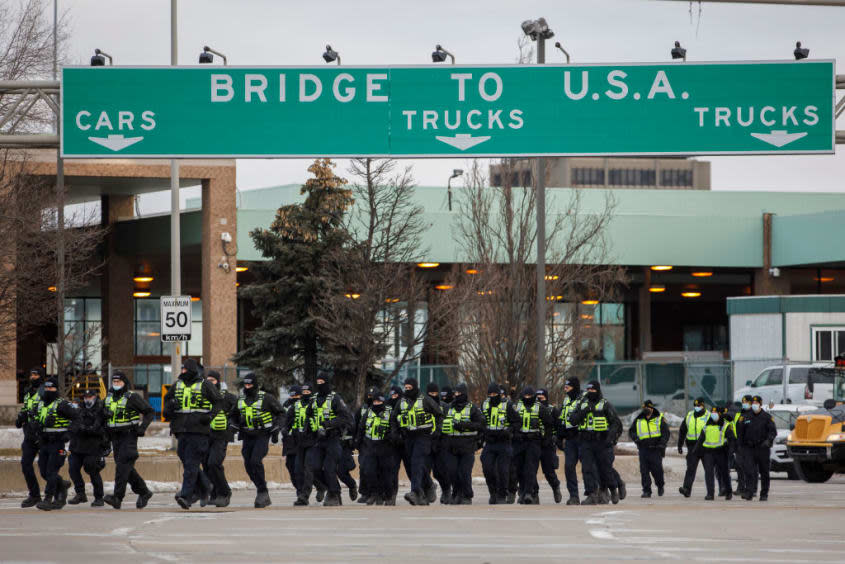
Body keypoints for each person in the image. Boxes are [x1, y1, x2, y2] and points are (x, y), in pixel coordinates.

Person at [163, 358, 221, 510]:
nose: (183, 372)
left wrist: (209, 417)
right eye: (182, 369)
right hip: (182, 431)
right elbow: (167, 400)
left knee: (191, 464)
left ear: (192, 370)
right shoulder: (178, 385)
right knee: (186, 461)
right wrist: (170, 407)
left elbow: (218, 402)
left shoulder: (205, 384)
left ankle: (186, 496)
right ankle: (205, 486)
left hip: (199, 431)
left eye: (185, 369)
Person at [103, 371, 155, 510]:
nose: (116, 385)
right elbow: (102, 417)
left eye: (119, 382)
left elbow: (150, 411)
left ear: (125, 383)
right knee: (126, 468)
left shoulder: (132, 397)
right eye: (114, 382)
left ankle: (117, 498)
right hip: (115, 438)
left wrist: (142, 428)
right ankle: (144, 492)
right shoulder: (108, 398)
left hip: (129, 436)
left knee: (122, 466)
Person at [301, 373, 353, 506]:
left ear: (327, 383)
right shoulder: (313, 399)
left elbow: (345, 417)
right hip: (318, 439)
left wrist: (329, 423)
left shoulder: (335, 399)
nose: (319, 384)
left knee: (329, 467)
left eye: (322, 382)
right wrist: (308, 429)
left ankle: (334, 494)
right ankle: (329, 488)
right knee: (315, 467)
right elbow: (308, 416)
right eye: (317, 382)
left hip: (334, 438)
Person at [568, 380, 621, 505]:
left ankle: (613, 489)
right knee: (587, 468)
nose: (590, 392)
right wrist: (583, 412)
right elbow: (572, 420)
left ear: (598, 390)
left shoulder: (605, 404)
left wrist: (610, 438)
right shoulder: (582, 404)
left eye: (593, 390)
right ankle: (591, 494)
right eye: (588, 390)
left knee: (605, 469)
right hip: (586, 441)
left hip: (602, 441)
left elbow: (615, 423)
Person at [237, 372, 285, 508]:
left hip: (262, 435)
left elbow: (281, 413)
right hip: (247, 435)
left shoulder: (267, 398)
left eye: (250, 384)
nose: (247, 387)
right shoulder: (240, 400)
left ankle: (263, 492)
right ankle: (260, 487)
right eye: (245, 384)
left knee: (255, 460)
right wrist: (233, 424)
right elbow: (233, 415)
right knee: (248, 464)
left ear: (255, 385)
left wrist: (277, 428)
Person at [393, 377, 442, 506]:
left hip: (424, 436)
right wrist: (395, 433)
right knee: (413, 465)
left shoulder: (425, 400)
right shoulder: (401, 402)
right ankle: (429, 486)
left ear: (415, 387)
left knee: (416, 461)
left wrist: (437, 431)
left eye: (410, 388)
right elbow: (393, 418)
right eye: (406, 388)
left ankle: (415, 492)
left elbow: (439, 414)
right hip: (409, 437)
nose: (407, 390)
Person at [34, 377, 76, 511]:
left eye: (51, 388)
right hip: (44, 442)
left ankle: (48, 498)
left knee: (52, 471)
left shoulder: (62, 404)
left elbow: (77, 418)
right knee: (44, 472)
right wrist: (38, 426)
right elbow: (35, 420)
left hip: (58, 443)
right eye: (46, 388)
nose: (48, 390)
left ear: (56, 389)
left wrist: (68, 434)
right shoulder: (40, 404)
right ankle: (62, 485)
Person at [441, 383, 484, 504]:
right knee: (452, 472)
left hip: (467, 446)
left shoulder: (472, 408)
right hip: (451, 446)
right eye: (456, 393)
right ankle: (456, 494)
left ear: (464, 394)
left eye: (459, 393)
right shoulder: (448, 408)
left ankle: (466, 496)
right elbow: (442, 422)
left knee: (464, 473)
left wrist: (462, 425)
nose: (457, 395)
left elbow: (481, 425)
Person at [511, 386, 553, 505]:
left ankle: (529, 493)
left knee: (530, 468)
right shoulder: (516, 407)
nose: (527, 398)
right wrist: (515, 433)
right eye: (525, 396)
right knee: (518, 468)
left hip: (533, 441)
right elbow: (512, 422)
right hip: (519, 441)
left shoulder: (539, 407)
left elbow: (549, 423)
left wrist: (546, 439)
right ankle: (523, 491)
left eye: (530, 396)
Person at [356, 392, 398, 505]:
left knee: (386, 473)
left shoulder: (390, 414)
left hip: (385, 447)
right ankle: (374, 493)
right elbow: (361, 428)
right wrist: (357, 443)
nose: (376, 403)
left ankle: (388, 496)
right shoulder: (368, 413)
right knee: (369, 471)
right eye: (375, 401)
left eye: (379, 401)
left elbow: (395, 433)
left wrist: (387, 434)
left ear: (383, 402)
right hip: (370, 446)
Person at [67, 389, 107, 507]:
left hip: (93, 447)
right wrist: (78, 428)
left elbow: (100, 429)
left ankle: (99, 497)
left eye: (90, 397)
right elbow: (72, 426)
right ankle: (80, 494)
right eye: (86, 397)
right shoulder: (78, 410)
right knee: (73, 469)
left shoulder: (100, 410)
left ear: (95, 397)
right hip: (77, 446)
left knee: (92, 470)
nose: (87, 399)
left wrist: (88, 429)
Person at [480, 383, 517, 504]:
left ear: (500, 394)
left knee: (503, 470)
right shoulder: (484, 405)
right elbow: (480, 422)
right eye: (490, 394)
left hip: (503, 442)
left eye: (494, 394)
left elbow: (517, 422)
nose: (492, 396)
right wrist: (483, 434)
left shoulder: (508, 405)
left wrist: (508, 431)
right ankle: (493, 492)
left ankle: (502, 494)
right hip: (490, 442)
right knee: (487, 468)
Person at [205, 371, 237, 507]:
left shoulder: (227, 397)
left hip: (221, 436)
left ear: (218, 381)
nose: (210, 383)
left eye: (212, 380)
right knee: (207, 465)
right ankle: (215, 493)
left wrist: (231, 425)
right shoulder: (203, 396)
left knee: (214, 463)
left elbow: (237, 411)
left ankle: (225, 492)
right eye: (208, 380)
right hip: (206, 436)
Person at [737, 395, 777, 501]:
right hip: (749, 448)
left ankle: (764, 493)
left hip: (762, 448)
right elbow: (740, 432)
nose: (754, 405)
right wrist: (741, 447)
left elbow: (773, 431)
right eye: (753, 403)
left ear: (760, 404)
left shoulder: (767, 417)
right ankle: (749, 492)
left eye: (756, 403)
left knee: (764, 472)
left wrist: (769, 441)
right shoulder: (745, 417)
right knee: (749, 470)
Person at [15, 367, 45, 508]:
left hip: (43, 434)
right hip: (29, 435)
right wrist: (21, 417)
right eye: (31, 374)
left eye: (36, 374)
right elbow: (27, 408)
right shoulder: (27, 392)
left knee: (45, 468)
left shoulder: (46, 391)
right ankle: (34, 494)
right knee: (26, 464)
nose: (33, 377)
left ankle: (59, 487)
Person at [693, 406, 736, 501]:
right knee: (708, 473)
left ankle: (728, 492)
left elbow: (732, 439)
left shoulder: (725, 426)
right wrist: (695, 451)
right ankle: (710, 494)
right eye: (712, 412)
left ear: (720, 414)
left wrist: (731, 451)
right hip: (708, 453)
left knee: (724, 473)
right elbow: (701, 439)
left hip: (721, 452)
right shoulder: (706, 425)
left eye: (715, 412)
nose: (713, 413)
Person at [628, 399, 669, 498]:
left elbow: (665, 433)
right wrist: (636, 438)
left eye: (647, 407)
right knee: (644, 471)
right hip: (643, 449)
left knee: (657, 470)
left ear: (651, 408)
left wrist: (662, 443)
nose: (645, 409)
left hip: (655, 449)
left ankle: (660, 485)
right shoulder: (638, 420)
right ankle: (646, 490)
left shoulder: (659, 419)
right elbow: (631, 431)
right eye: (644, 408)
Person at [557, 378, 582, 505]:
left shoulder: (583, 399)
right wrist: (559, 437)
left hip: (583, 437)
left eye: (568, 387)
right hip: (570, 439)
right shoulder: (566, 400)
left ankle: (596, 492)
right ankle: (574, 496)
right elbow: (562, 418)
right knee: (569, 467)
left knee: (590, 467)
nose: (565, 390)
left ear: (575, 387)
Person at [677, 397, 709, 498]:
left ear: (703, 405)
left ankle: (714, 490)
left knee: (709, 470)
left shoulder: (709, 416)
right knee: (690, 469)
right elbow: (682, 430)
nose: (697, 407)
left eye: (699, 406)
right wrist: (680, 444)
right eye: (695, 406)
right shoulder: (689, 415)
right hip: (692, 447)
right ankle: (686, 489)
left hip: (705, 446)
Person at [535, 388, 563, 504]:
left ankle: (556, 486)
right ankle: (533, 494)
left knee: (549, 471)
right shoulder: (533, 409)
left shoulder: (552, 410)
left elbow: (559, 426)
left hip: (548, 445)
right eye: (537, 398)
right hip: (534, 443)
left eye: (541, 398)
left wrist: (555, 438)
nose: (539, 401)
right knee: (530, 471)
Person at [354, 386, 377, 504]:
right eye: (369, 396)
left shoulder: (382, 408)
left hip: (378, 444)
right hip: (364, 444)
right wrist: (355, 441)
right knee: (363, 468)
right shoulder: (362, 409)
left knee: (375, 469)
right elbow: (355, 425)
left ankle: (377, 492)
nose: (371, 399)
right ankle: (364, 492)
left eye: (373, 397)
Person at [282, 385, 303, 497]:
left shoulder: (304, 404)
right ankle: (299, 489)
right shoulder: (286, 405)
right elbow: (282, 419)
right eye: (292, 395)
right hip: (289, 441)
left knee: (299, 467)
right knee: (290, 465)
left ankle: (302, 491)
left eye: (296, 395)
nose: (294, 397)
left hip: (301, 440)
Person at [732, 395, 752, 497]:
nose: (744, 404)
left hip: (749, 445)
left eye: (746, 402)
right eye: (743, 402)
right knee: (739, 467)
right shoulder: (738, 415)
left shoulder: (754, 415)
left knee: (749, 468)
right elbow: (735, 429)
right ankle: (741, 488)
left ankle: (750, 489)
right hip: (739, 445)